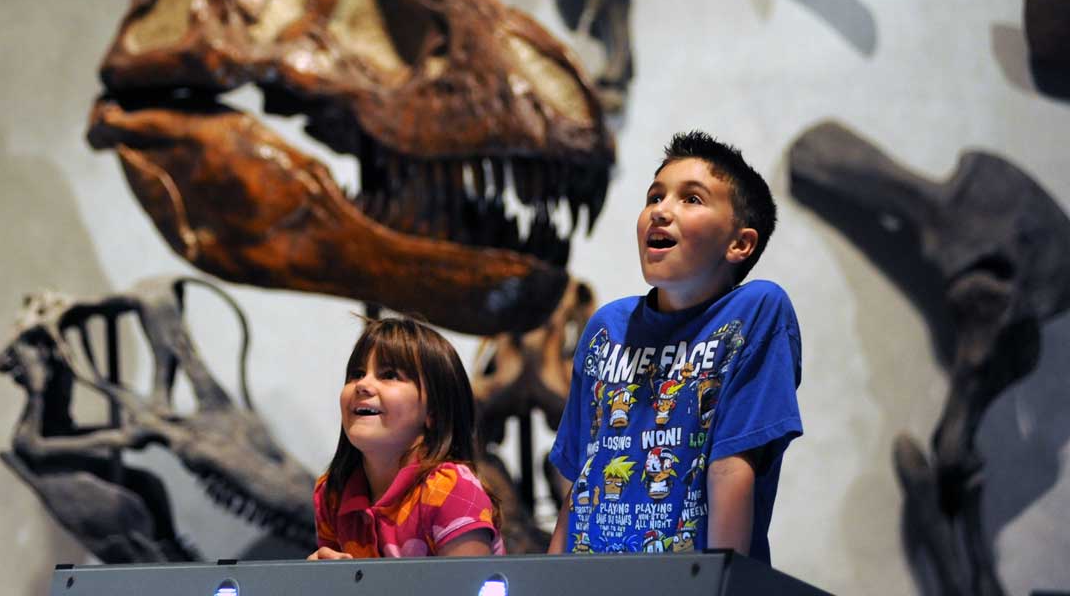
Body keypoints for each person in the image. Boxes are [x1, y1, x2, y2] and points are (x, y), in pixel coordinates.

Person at [548, 130, 802, 563]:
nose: (661, 211)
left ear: (740, 243)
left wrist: (720, 585)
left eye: (692, 199)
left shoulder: (756, 311)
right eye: (655, 197)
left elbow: (730, 466)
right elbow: (581, 481)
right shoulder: (607, 328)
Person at [309, 316, 504, 558]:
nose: (363, 385)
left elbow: (468, 588)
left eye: (389, 375)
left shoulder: (450, 489)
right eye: (357, 373)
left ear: (433, 412)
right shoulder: (332, 492)